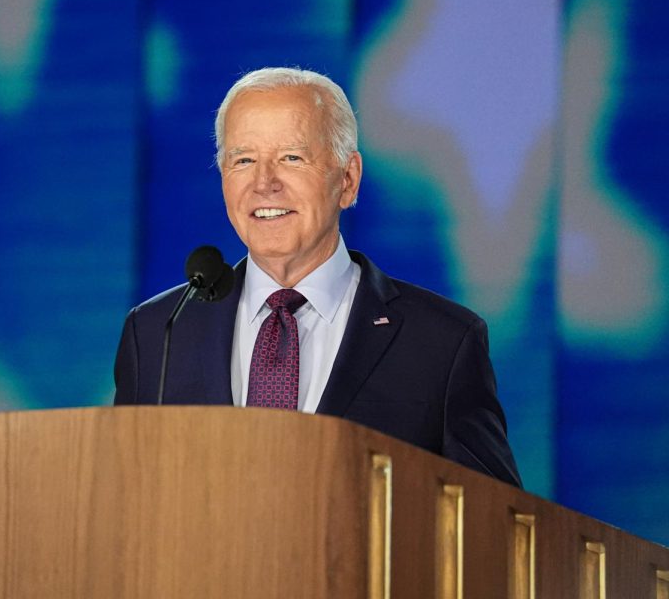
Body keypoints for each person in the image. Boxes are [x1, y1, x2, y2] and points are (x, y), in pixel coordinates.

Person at [113, 67, 520, 486]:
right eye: (244, 160)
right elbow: (120, 502)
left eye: (292, 157)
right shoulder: (159, 332)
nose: (264, 182)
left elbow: (493, 525)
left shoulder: (442, 343)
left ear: (348, 179)